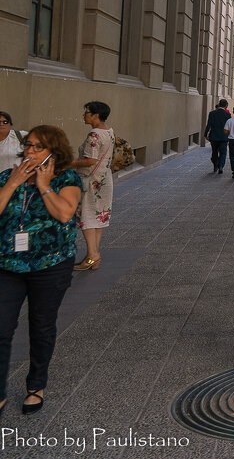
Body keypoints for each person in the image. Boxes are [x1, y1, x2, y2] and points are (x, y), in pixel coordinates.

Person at [0, 125, 82, 415]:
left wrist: (44, 184)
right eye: (29, 146)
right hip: (8, 264)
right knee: (1, 328)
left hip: (51, 265)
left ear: (54, 152)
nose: (30, 152)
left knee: (41, 327)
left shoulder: (67, 178)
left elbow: (64, 213)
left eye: (38, 147)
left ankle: (36, 385)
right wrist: (12, 184)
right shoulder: (9, 177)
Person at [68, 102, 115, 272]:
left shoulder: (94, 135)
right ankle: (93, 255)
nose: (84, 115)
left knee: (86, 215)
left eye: (87, 112)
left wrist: (68, 164)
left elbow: (90, 160)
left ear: (96, 115)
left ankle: (92, 255)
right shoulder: (109, 131)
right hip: (105, 180)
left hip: (91, 181)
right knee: (99, 217)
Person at [204, 99, 231, 174]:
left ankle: (215, 165)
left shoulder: (212, 113)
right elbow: (229, 127)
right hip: (224, 137)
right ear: (226, 105)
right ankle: (221, 166)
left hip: (214, 137)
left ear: (219, 104)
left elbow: (208, 125)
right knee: (223, 153)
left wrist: (205, 134)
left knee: (214, 152)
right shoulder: (227, 115)